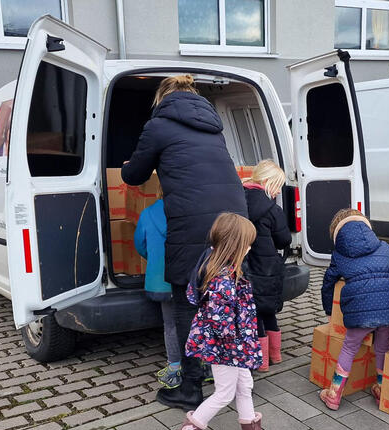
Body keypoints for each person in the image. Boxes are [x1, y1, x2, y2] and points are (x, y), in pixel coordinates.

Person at [121, 75, 248, 410]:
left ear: (162, 99)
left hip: (193, 224)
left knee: (186, 303)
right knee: (225, 297)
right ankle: (237, 379)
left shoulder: (158, 124)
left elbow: (133, 175)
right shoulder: (214, 128)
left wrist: (128, 167)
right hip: (235, 221)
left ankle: (190, 388)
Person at [171, 213, 274, 430]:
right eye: (247, 243)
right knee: (224, 393)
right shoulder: (223, 278)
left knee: (245, 385)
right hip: (226, 348)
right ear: (235, 245)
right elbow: (221, 322)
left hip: (232, 346)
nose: (249, 248)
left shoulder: (223, 268)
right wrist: (239, 344)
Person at [319, 209, 389, 410]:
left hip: (360, 308)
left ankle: (333, 394)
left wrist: (329, 311)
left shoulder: (339, 255)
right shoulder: (383, 246)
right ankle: (382, 389)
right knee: (383, 346)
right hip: (388, 306)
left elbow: (328, 282)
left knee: (349, 346)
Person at [242, 159, 291, 372]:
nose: (279, 191)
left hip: (244, 262)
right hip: (267, 266)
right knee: (267, 309)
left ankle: (261, 361)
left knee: (254, 311)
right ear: (269, 182)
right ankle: (274, 355)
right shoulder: (272, 209)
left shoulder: (238, 199)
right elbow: (284, 240)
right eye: (278, 185)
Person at [134, 188, 181, 389]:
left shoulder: (147, 214)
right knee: (195, 321)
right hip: (185, 277)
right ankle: (202, 364)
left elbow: (139, 244)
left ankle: (174, 368)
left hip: (159, 280)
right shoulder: (185, 211)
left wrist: (152, 258)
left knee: (170, 325)